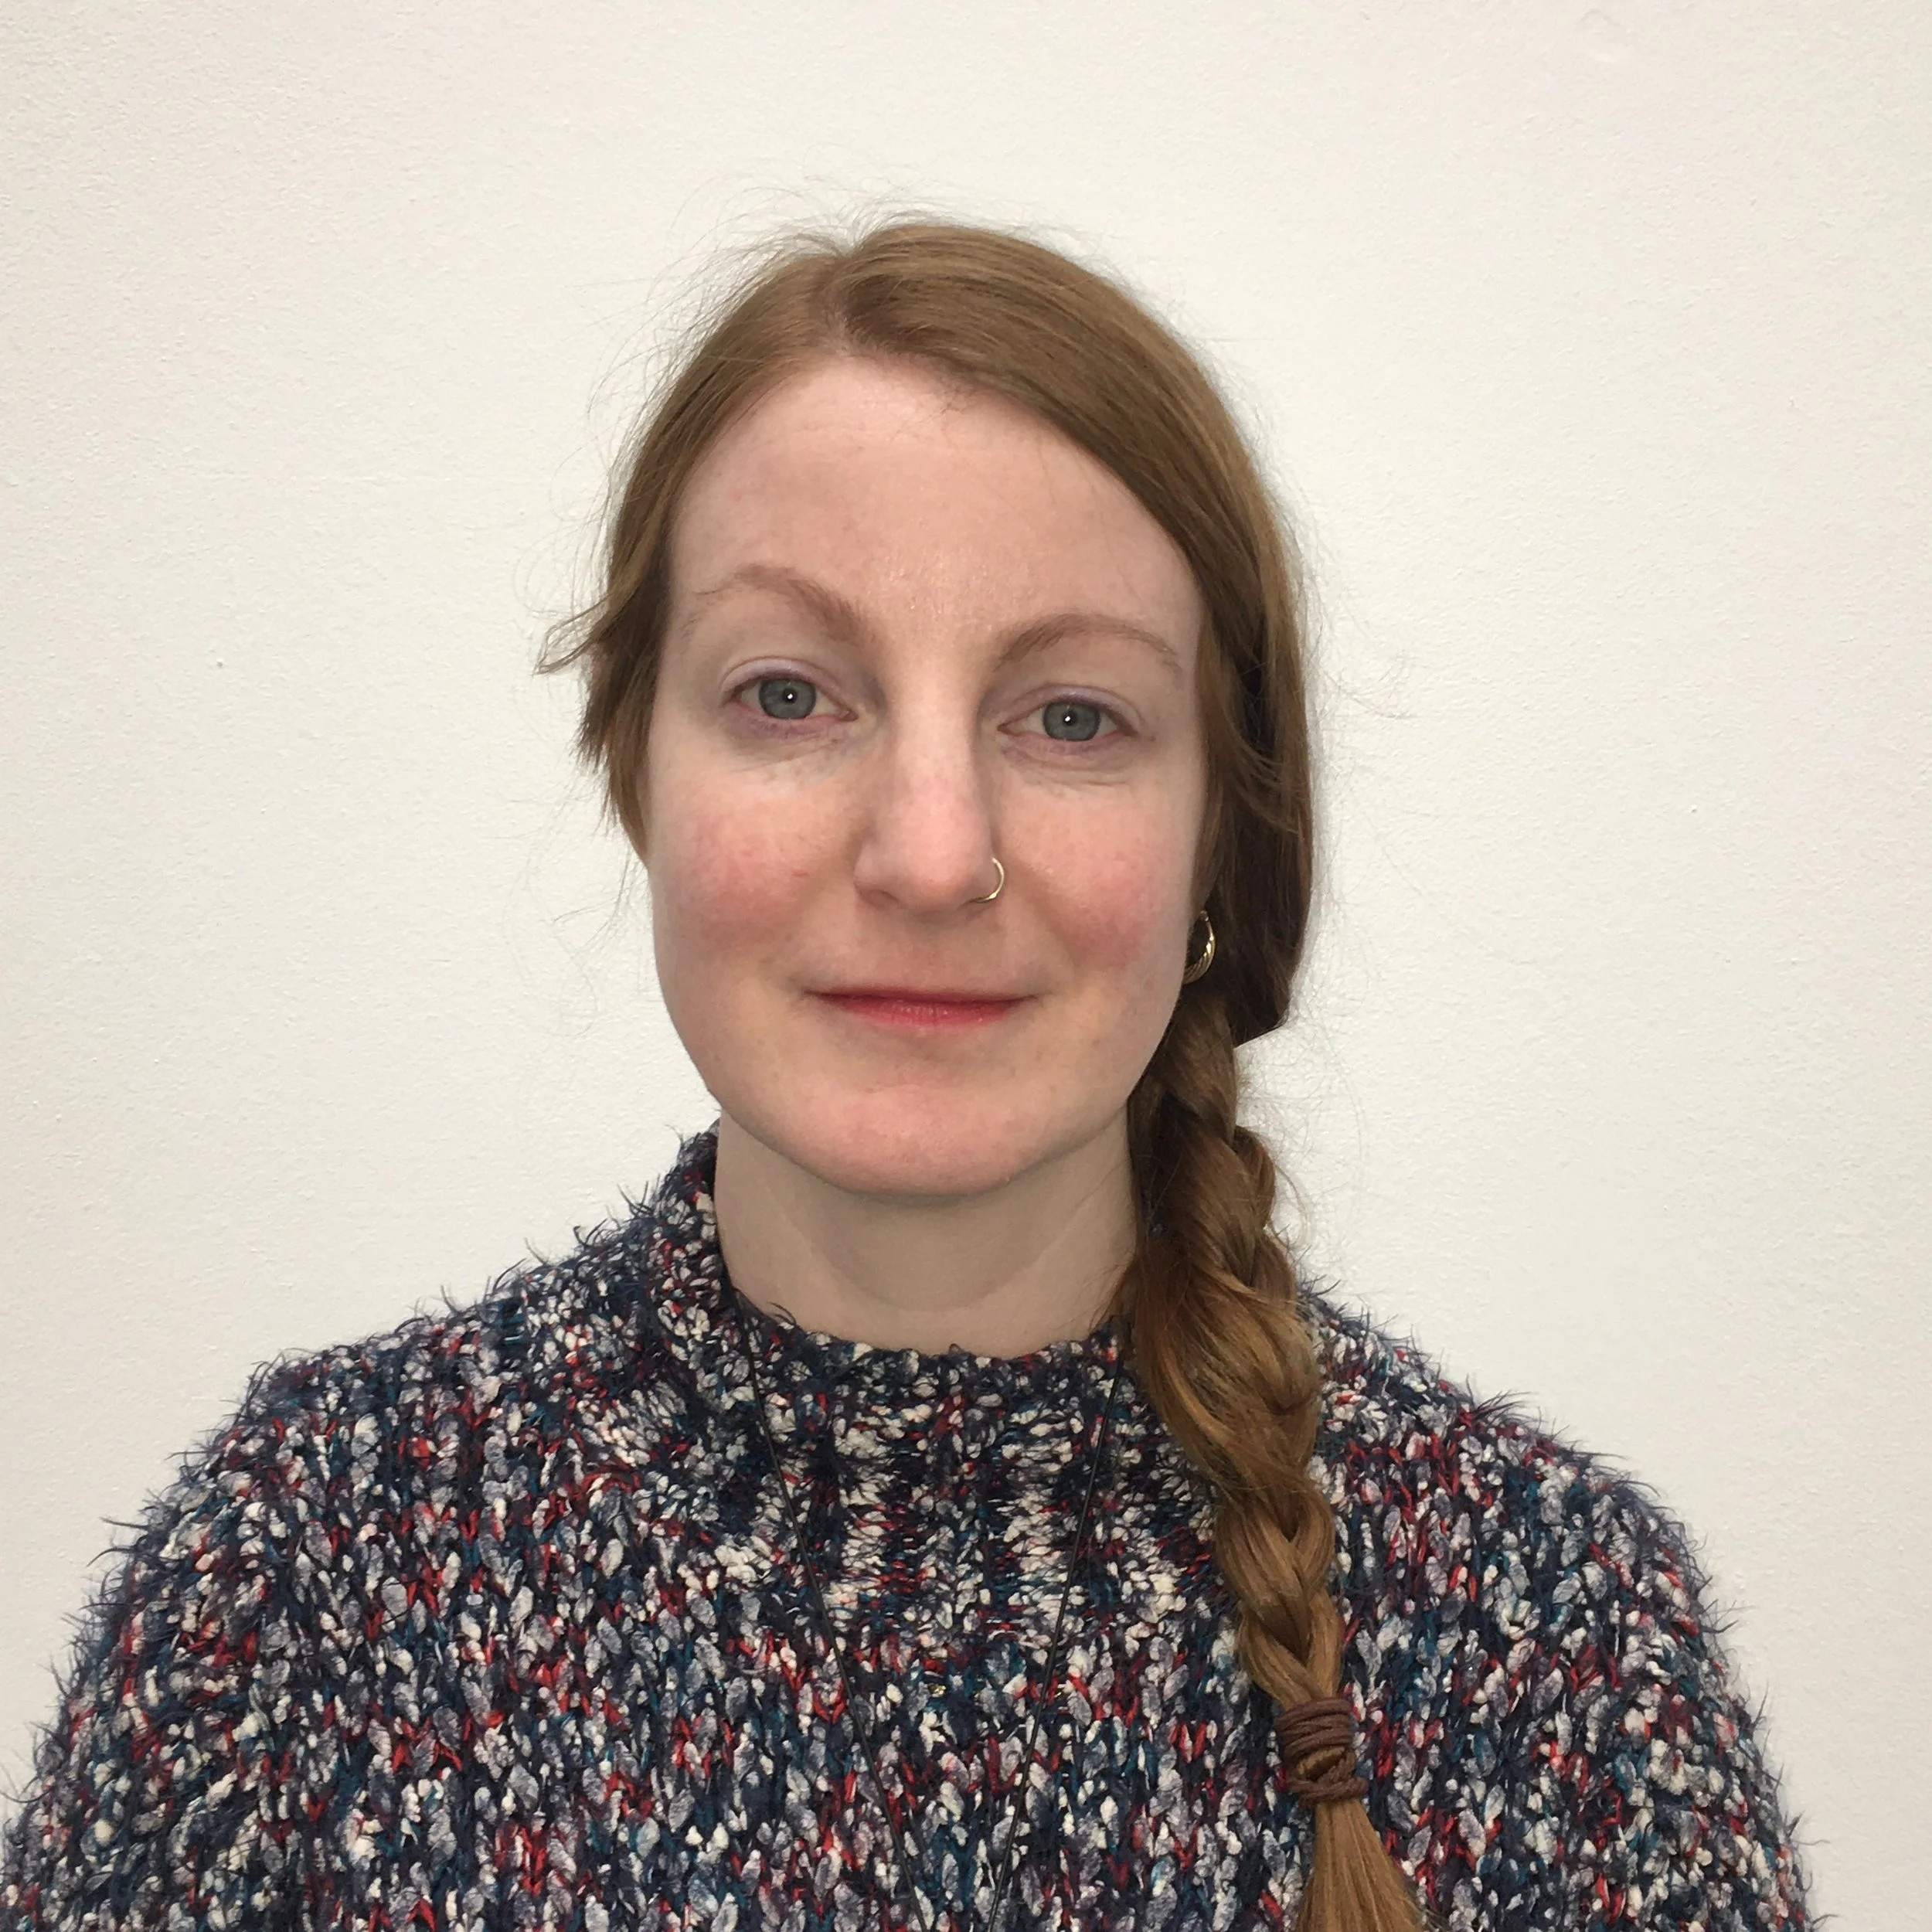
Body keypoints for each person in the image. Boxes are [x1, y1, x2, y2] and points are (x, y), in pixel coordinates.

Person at [0, 222, 1808, 1932]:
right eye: (790, 694)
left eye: (1072, 715)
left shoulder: (1550, 1634)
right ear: (636, 773)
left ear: (1217, 839)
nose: (933, 854)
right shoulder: (309, 1571)